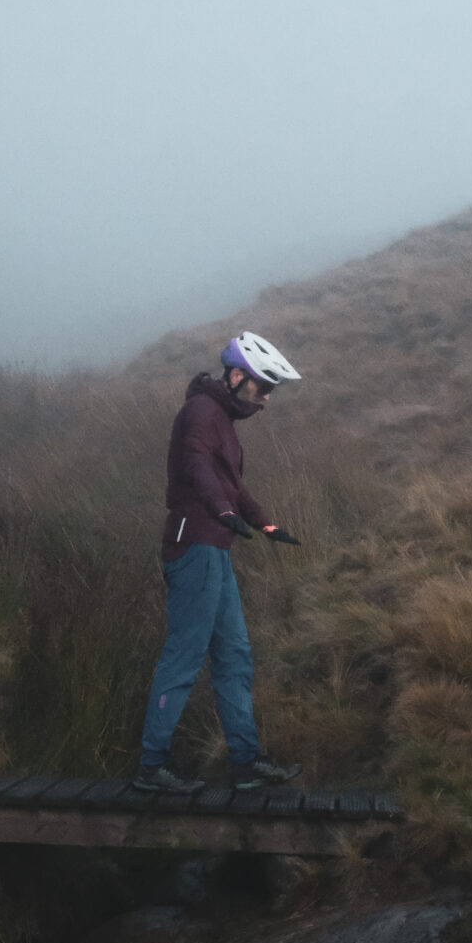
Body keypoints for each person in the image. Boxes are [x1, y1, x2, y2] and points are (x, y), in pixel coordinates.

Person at [131, 332, 306, 794]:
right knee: (184, 656)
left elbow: (232, 484)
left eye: (272, 390)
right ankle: (153, 766)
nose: (266, 399)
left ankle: (246, 763)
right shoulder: (201, 413)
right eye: (263, 387)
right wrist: (221, 510)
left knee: (234, 656)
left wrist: (266, 525)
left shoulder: (222, 420)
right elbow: (196, 467)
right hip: (195, 545)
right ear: (235, 376)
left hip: (217, 547)